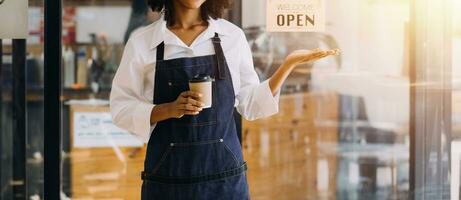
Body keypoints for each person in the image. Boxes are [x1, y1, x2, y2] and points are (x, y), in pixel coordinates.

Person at [109, 0, 339, 199]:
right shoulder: (142, 42)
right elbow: (121, 107)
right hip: (168, 181)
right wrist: (169, 109)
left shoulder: (232, 37)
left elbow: (250, 104)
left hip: (225, 181)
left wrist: (287, 65)